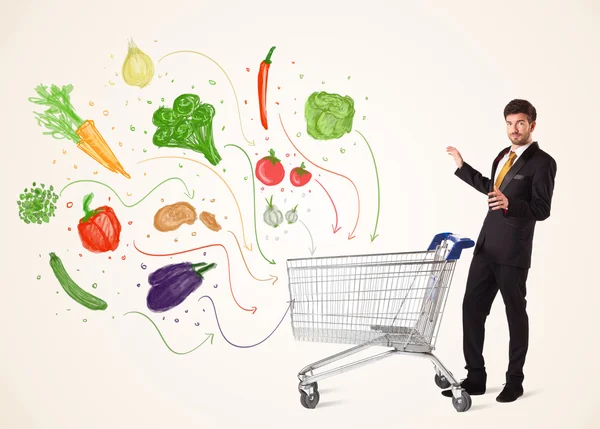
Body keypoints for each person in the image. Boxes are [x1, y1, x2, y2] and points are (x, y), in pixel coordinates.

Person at [442, 99, 557, 403]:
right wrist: (462, 168)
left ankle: (514, 381)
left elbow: (542, 209)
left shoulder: (543, 162)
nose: (514, 129)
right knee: (471, 309)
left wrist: (511, 205)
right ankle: (476, 377)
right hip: (486, 247)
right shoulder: (501, 156)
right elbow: (492, 189)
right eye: (509, 123)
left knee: (514, 315)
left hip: (513, 252)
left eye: (520, 123)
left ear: (532, 125)